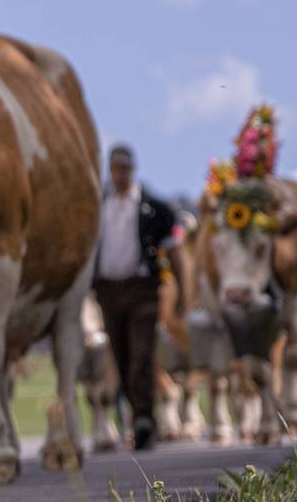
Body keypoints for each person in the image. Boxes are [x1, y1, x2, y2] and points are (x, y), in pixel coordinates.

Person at [92, 143, 179, 450]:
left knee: (141, 355)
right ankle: (137, 413)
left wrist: (178, 288)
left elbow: (173, 250)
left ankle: (143, 419)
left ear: (133, 170)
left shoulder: (153, 208)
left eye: (125, 169)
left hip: (142, 290)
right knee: (121, 354)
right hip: (108, 291)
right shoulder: (98, 206)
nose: (120, 176)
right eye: (115, 169)